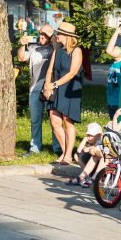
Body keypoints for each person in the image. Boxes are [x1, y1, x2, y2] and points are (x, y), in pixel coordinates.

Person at [43, 22, 83, 165]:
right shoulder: (57, 51)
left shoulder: (76, 51)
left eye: (58, 33)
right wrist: (47, 86)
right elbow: (50, 70)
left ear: (66, 36)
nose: (56, 35)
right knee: (55, 122)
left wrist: (54, 84)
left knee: (68, 121)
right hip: (56, 88)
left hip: (70, 89)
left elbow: (72, 73)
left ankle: (68, 155)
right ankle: (65, 151)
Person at [17, 24, 56, 155]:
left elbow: (58, 48)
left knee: (54, 119)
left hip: (51, 88)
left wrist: (52, 36)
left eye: (46, 34)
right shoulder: (33, 47)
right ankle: (35, 147)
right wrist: (22, 45)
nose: (42, 36)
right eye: (41, 33)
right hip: (35, 88)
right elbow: (21, 58)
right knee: (35, 119)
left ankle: (57, 148)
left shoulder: (54, 48)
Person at [67, 123, 105, 188]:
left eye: (91, 135)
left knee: (95, 155)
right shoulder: (91, 142)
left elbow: (87, 150)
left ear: (98, 136)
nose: (89, 137)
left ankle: (90, 177)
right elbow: (79, 151)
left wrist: (89, 149)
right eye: (88, 135)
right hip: (92, 165)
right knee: (76, 155)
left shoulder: (100, 142)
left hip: (99, 166)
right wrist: (85, 139)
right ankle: (85, 176)